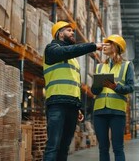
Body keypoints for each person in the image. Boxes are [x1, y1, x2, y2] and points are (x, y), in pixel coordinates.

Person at [43, 21, 105, 161]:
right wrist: (93, 46)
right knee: (53, 145)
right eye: (69, 30)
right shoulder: (52, 50)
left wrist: (78, 107)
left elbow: (74, 85)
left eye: (73, 31)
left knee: (65, 147)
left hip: (72, 106)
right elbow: (67, 51)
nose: (72, 33)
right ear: (60, 33)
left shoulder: (73, 61)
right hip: (57, 103)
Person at [92, 35, 135, 161]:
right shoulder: (100, 66)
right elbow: (94, 90)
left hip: (117, 112)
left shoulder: (127, 65)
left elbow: (131, 87)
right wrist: (97, 86)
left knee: (118, 148)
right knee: (103, 148)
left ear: (116, 46)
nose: (103, 46)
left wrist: (116, 87)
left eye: (107, 44)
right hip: (99, 111)